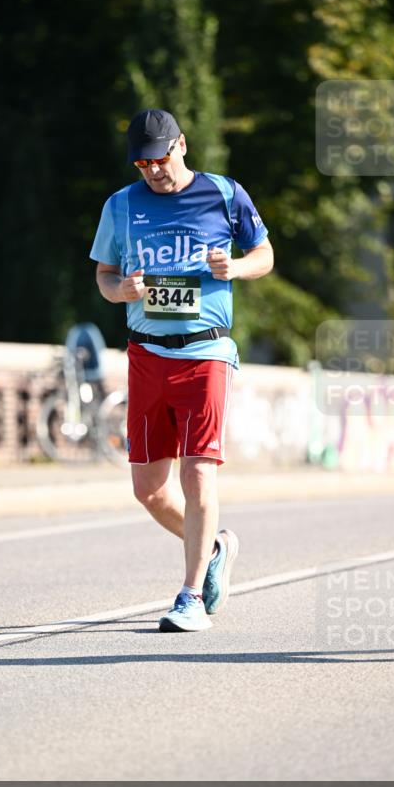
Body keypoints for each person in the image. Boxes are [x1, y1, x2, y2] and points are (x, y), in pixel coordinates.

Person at [90, 109, 274, 632]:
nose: (153, 170)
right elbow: (104, 275)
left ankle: (191, 596)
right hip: (146, 354)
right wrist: (119, 290)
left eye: (160, 158)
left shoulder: (223, 193)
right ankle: (215, 545)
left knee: (197, 473)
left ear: (183, 146)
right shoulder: (121, 205)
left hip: (205, 353)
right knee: (148, 488)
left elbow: (263, 254)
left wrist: (235, 267)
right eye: (142, 163)